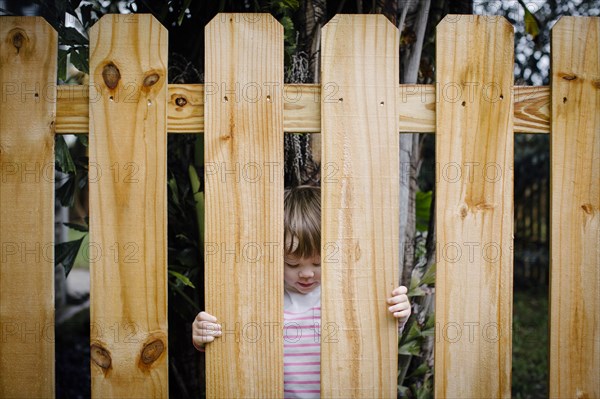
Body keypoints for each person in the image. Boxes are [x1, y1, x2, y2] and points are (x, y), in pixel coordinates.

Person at [192, 185, 411, 398]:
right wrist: (203, 335)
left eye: (317, 263)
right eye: (292, 264)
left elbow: (377, 336)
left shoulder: (347, 299)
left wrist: (398, 315)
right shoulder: (261, 301)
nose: (306, 274)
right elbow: (227, 342)